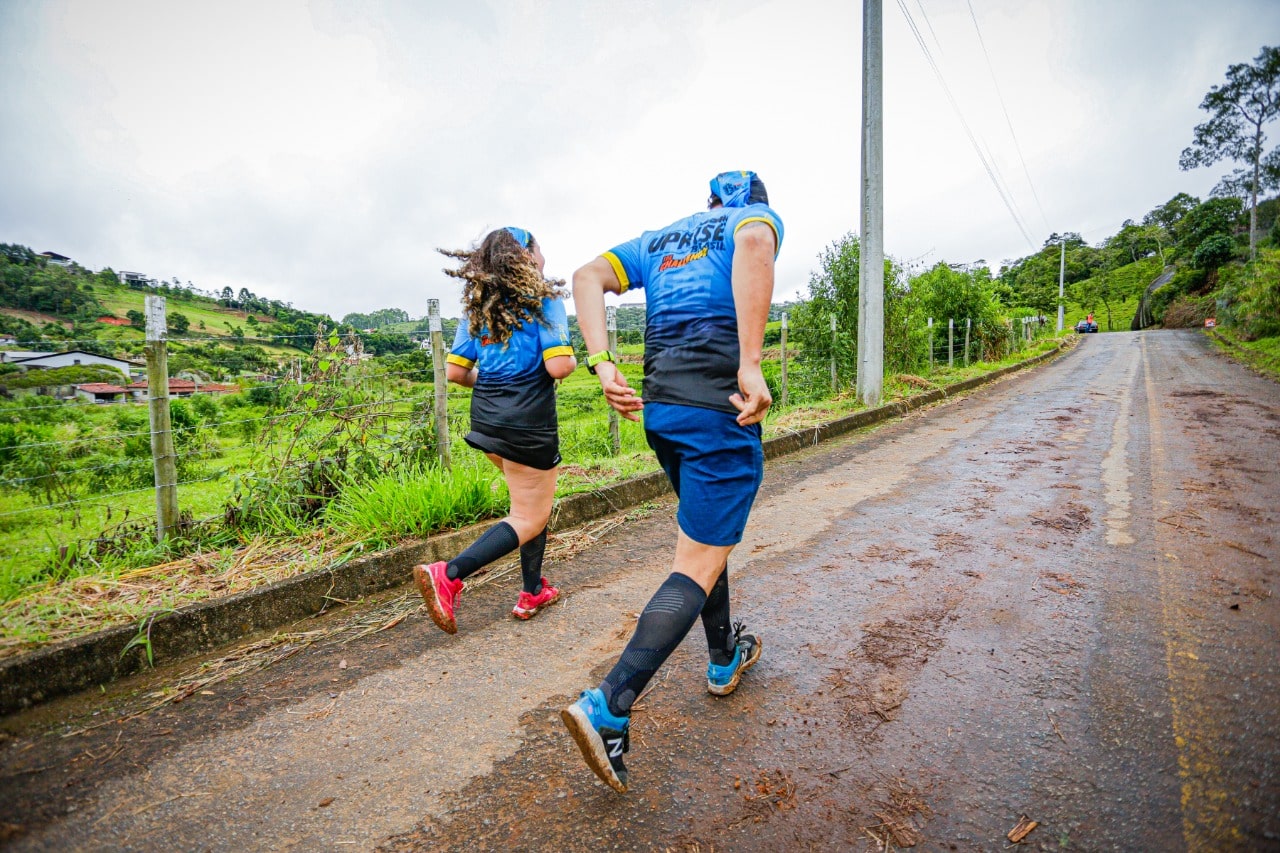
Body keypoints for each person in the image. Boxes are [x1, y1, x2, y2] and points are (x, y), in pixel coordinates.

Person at [561, 171, 783, 792]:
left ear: (708, 202)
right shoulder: (754, 220)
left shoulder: (657, 240)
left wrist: (603, 362)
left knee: (704, 542)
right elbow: (755, 247)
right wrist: (751, 362)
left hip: (662, 411)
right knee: (696, 561)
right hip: (720, 411)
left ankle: (721, 660)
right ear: (753, 202)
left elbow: (585, 278)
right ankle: (609, 704)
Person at [413, 227, 577, 631]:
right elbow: (559, 366)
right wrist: (569, 361)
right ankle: (448, 575)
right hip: (528, 423)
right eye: (539, 249)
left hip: (487, 421)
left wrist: (493, 381)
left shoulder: (477, 308)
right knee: (528, 514)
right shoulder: (544, 299)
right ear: (527, 255)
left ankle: (533, 589)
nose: (544, 257)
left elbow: (455, 372)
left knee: (528, 507)